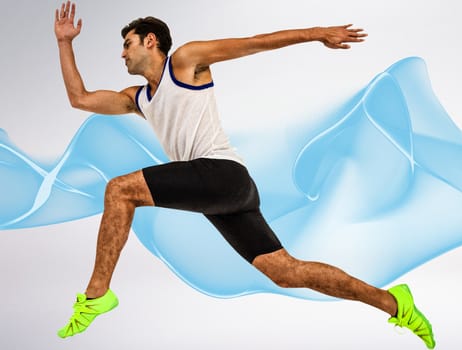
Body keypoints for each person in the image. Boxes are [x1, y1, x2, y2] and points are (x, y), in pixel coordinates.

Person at [53, 1, 435, 348]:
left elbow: (255, 42)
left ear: (150, 40)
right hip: (225, 192)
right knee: (285, 271)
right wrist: (65, 43)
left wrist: (318, 33)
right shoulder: (138, 98)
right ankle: (394, 302)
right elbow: (79, 99)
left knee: (120, 190)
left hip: (222, 175)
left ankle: (97, 293)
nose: (122, 53)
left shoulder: (185, 61)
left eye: (127, 44)